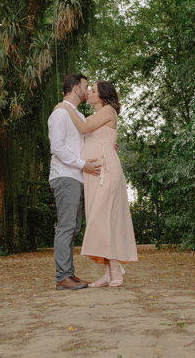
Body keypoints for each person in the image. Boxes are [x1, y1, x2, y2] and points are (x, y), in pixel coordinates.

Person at [58, 80, 138, 287]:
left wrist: (66, 106)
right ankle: (107, 273)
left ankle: (115, 267)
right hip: (92, 174)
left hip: (106, 170)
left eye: (93, 90)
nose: (89, 93)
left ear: (102, 96)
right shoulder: (90, 117)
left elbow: (85, 128)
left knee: (101, 218)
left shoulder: (108, 110)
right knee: (100, 219)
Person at [47, 73, 102, 290]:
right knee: (66, 227)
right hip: (65, 176)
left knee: (74, 227)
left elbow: (85, 142)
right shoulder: (60, 113)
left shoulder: (77, 114)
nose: (88, 91)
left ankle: (68, 273)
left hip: (77, 177)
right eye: (86, 87)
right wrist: (82, 165)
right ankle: (62, 277)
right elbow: (57, 147)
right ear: (76, 89)